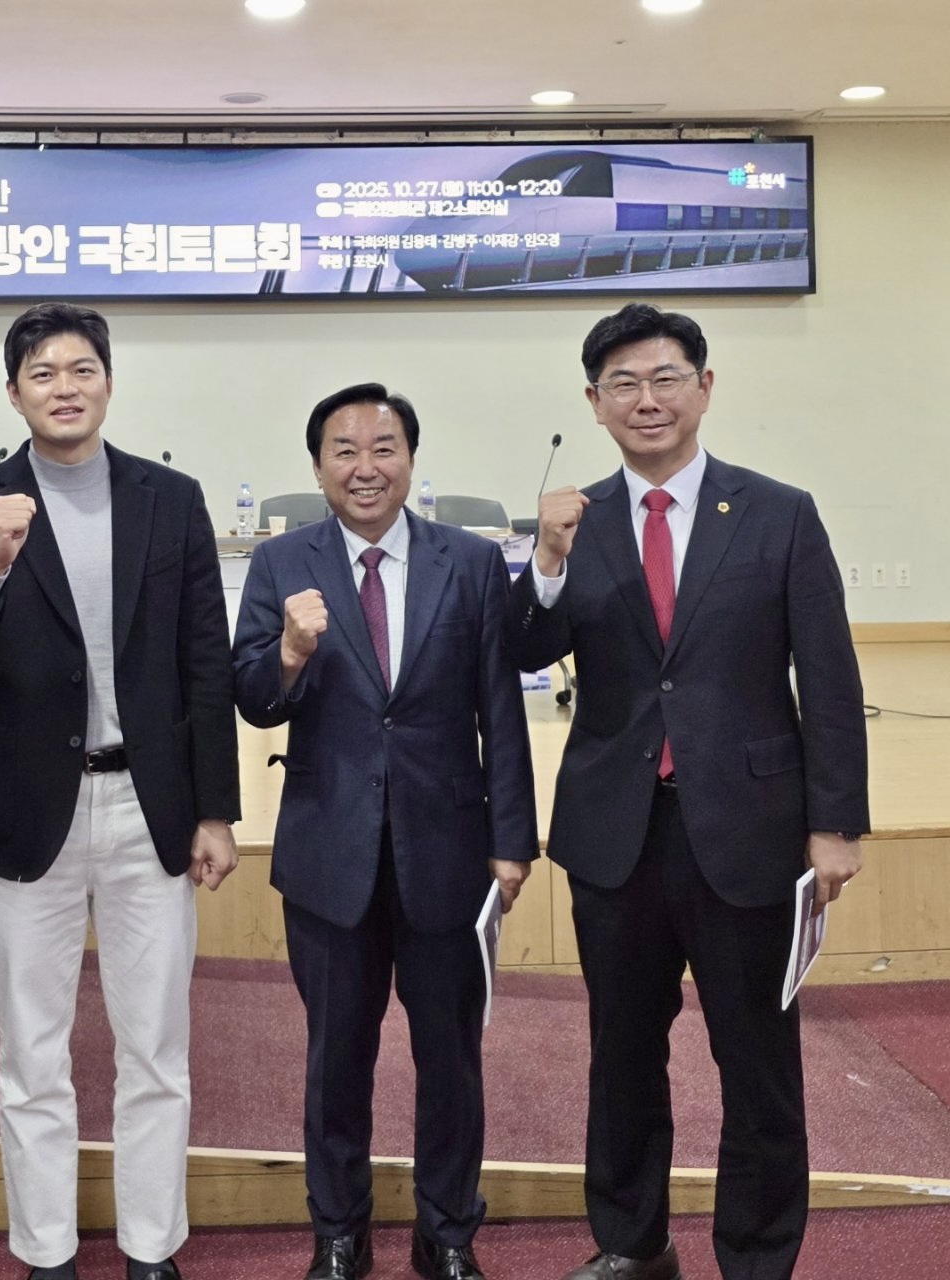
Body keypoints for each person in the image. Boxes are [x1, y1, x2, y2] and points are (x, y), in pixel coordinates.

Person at [505, 303, 869, 1280]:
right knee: (621, 1055)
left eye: (665, 377)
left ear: (704, 387)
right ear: (594, 403)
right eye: (622, 383)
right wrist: (544, 562)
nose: (646, 399)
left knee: (757, 1060)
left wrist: (835, 822)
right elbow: (523, 650)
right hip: (614, 835)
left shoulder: (778, 512)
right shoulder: (574, 522)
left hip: (748, 830)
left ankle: (756, 1255)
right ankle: (632, 1244)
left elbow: (828, 678)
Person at [0, 302, 241, 1280]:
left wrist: (215, 809)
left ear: (108, 380)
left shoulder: (169, 498)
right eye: (43, 373)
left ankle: (151, 1247)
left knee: (157, 1047)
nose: (65, 386)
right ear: (14, 393)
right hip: (28, 809)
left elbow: (204, 660)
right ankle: (46, 1251)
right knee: (32, 1050)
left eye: (82, 368)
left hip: (150, 806)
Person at [232, 383, 539, 1280]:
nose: (365, 467)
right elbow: (251, 698)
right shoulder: (280, 562)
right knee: (336, 1060)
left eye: (384, 447)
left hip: (449, 850)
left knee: (452, 1059)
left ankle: (448, 1234)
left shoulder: (469, 562)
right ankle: (339, 1232)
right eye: (344, 450)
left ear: (410, 459)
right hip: (330, 853)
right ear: (317, 466)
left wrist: (512, 838)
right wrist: (289, 652)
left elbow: (500, 709)